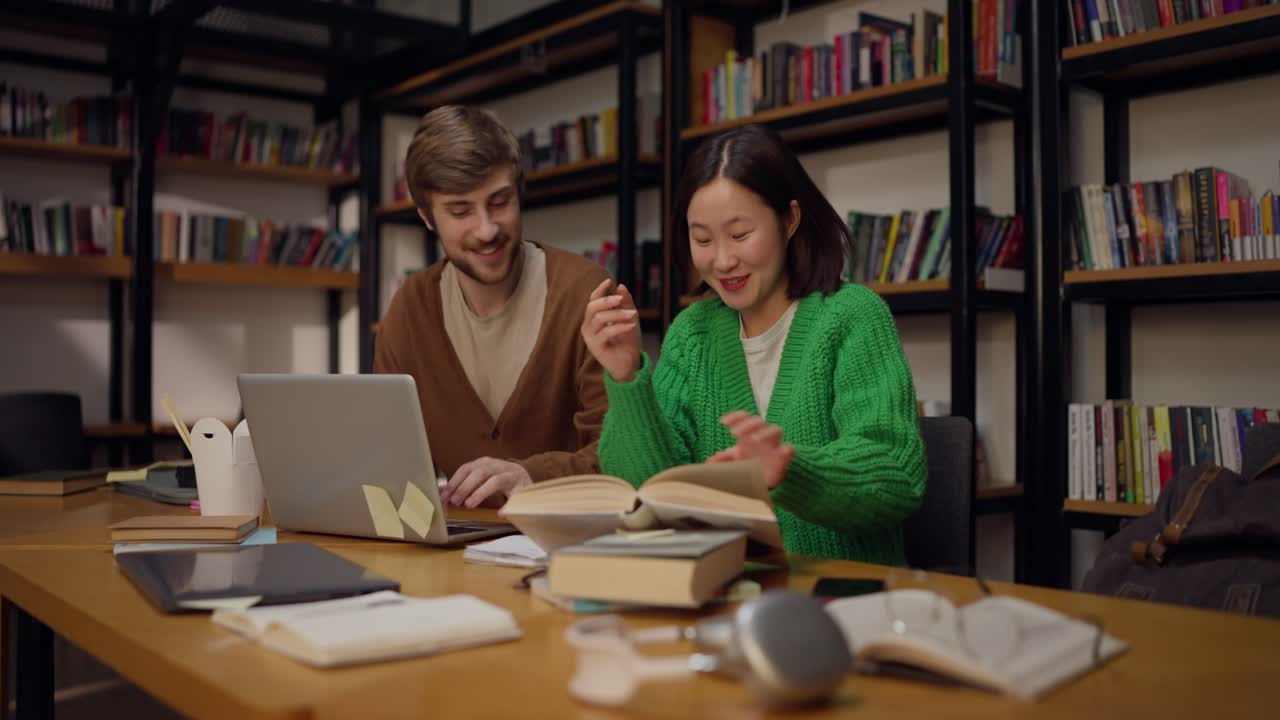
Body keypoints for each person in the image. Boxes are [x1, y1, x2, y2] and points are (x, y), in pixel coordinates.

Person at [581, 123, 925, 564]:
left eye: (741, 234)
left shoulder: (853, 316)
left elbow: (896, 475)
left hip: (838, 598)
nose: (722, 261)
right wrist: (626, 375)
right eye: (702, 239)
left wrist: (789, 470)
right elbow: (647, 489)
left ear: (790, 220)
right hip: (722, 592)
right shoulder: (693, 333)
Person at [375, 105, 611, 509]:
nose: (486, 230)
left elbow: (622, 454)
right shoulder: (411, 307)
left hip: (565, 546)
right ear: (428, 219)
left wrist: (531, 475)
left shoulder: (585, 292)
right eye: (460, 211)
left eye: (499, 202)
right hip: (454, 552)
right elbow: (384, 453)